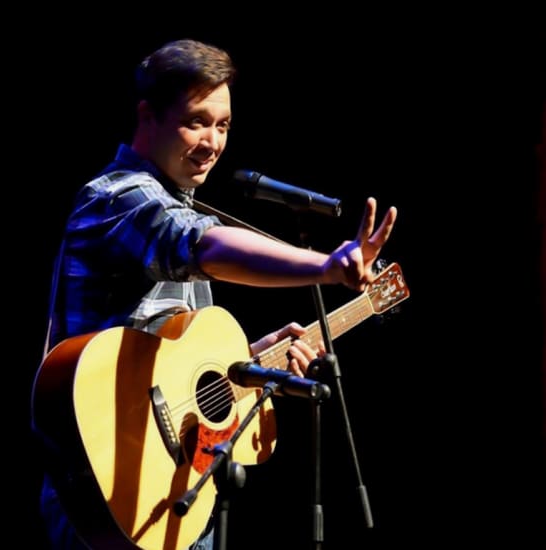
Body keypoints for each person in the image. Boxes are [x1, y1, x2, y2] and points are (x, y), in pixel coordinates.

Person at [32, 38, 397, 550]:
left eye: (222, 125)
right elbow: (200, 242)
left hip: (171, 492)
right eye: (196, 121)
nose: (212, 141)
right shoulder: (117, 197)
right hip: (107, 492)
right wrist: (324, 266)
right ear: (147, 116)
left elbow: (168, 370)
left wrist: (251, 365)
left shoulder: (169, 204)